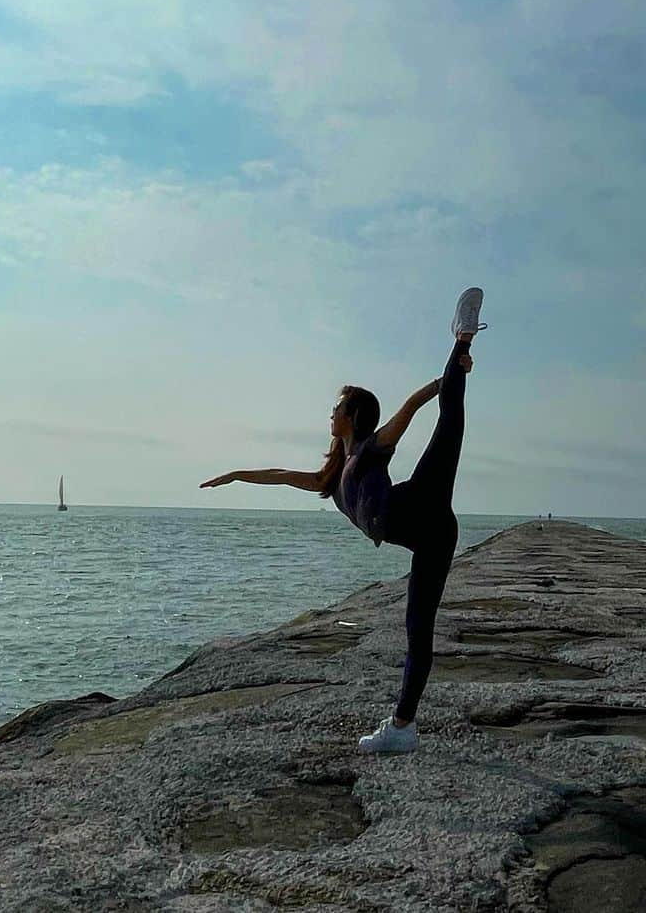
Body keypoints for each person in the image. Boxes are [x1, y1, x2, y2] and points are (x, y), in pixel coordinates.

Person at [199, 287, 487, 755]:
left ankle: (463, 338)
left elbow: (408, 412)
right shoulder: (331, 477)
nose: (331, 414)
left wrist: (446, 379)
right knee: (418, 631)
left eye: (337, 408)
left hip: (421, 503)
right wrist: (236, 476)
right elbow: (280, 475)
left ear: (352, 417)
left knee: (449, 421)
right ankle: (402, 727)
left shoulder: (370, 451)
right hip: (430, 538)